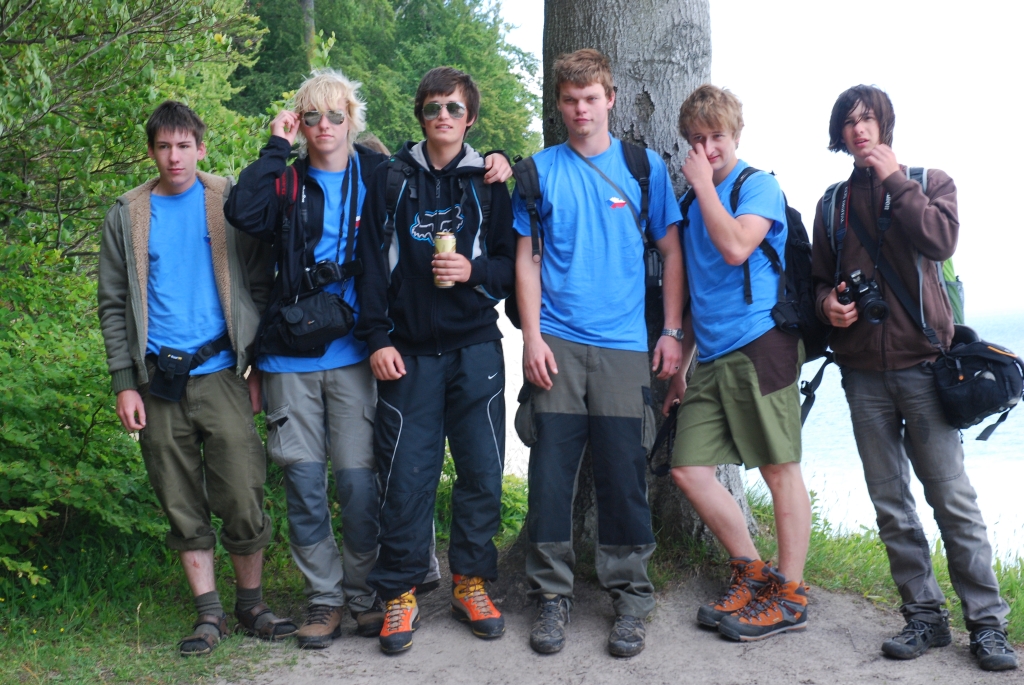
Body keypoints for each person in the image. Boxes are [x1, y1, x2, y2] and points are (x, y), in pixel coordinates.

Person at [224, 69, 511, 649]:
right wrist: (276, 143)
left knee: (412, 480)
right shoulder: (330, 178)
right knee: (350, 483)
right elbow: (248, 215)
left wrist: (500, 164)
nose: (324, 126)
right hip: (333, 353)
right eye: (312, 116)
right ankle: (357, 596)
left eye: (336, 116)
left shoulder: (407, 175)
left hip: (414, 347)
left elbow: (501, 248)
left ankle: (413, 590)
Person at [811, 85, 1016, 671]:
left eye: (868, 119)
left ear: (885, 125)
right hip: (862, 376)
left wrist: (896, 181)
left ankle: (988, 626)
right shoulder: (832, 204)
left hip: (927, 370)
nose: (859, 129)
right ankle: (924, 616)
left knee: (952, 501)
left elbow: (940, 240)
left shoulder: (929, 183)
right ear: (839, 134)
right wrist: (828, 306)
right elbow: (819, 279)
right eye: (849, 122)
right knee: (891, 505)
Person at [98, 101, 293, 656]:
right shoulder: (127, 213)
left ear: (201, 148)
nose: (174, 157)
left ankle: (251, 604)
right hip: (158, 381)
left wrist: (256, 365)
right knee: (179, 498)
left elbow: (261, 284)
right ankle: (209, 613)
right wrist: (124, 382)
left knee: (243, 491)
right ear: (151, 151)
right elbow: (113, 303)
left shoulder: (227, 200)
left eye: (184, 145)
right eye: (164, 146)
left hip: (223, 372)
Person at [511, 48, 684, 658]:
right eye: (570, 100)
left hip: (625, 346)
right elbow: (526, 261)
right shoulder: (537, 173)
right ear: (558, 105)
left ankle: (630, 598)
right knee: (550, 476)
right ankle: (550, 596)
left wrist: (671, 331)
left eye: (591, 98)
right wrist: (531, 338)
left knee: (624, 474)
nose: (581, 109)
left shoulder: (643, 169)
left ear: (610, 99)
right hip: (556, 343)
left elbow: (671, 251)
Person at [356, 66, 516, 655]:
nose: (442, 117)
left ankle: (470, 582)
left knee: (481, 471)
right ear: (420, 116)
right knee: (405, 477)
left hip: (475, 346)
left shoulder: (489, 181)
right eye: (432, 108)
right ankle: (400, 592)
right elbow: (369, 266)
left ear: (470, 118)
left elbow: (511, 266)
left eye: (453, 108)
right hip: (408, 352)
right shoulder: (391, 178)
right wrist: (377, 339)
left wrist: (473, 271)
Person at [666, 85, 811, 642]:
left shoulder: (758, 186)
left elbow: (734, 248)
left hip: (762, 344)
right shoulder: (689, 204)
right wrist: (680, 365)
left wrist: (704, 185)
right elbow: (700, 289)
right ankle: (752, 571)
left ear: (735, 135)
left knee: (779, 468)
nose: (707, 149)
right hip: (712, 353)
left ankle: (790, 595)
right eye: (696, 139)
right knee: (687, 468)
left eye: (716, 137)